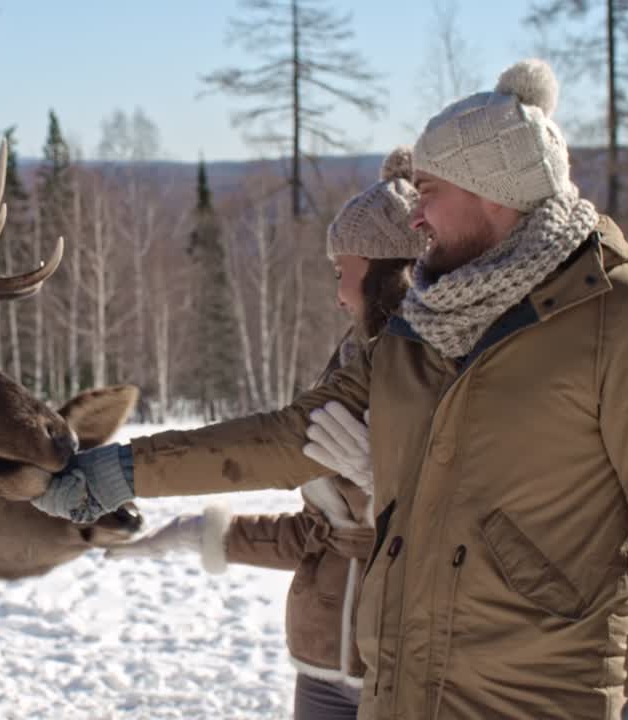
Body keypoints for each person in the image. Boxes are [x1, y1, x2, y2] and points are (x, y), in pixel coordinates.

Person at [33, 59, 628, 720]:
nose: (416, 220)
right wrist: (124, 470)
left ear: (492, 192)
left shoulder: (626, 317)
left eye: (429, 195)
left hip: (540, 699)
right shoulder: (420, 327)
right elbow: (285, 438)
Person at [103, 148, 427, 720]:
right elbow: (317, 535)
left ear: (382, 271)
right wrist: (204, 535)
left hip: (402, 675)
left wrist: (389, 489)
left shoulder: (437, 366)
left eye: (341, 273)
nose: (337, 293)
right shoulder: (348, 362)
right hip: (321, 666)